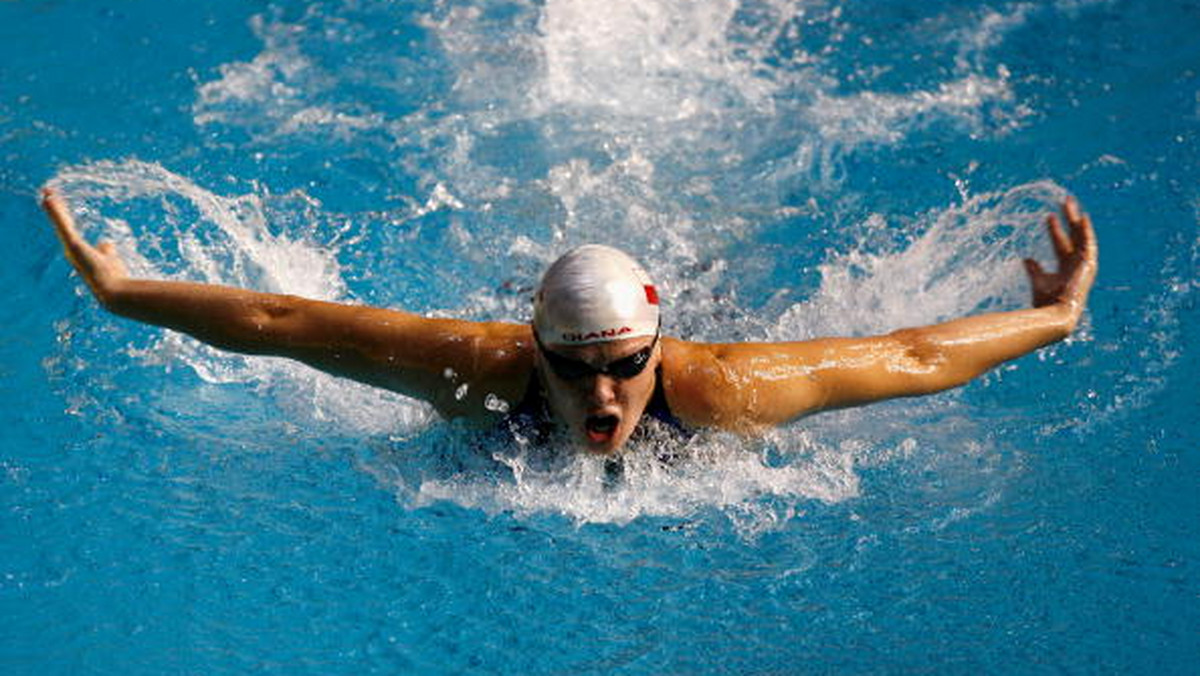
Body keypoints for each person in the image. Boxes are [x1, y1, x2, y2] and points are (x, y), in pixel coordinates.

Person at [41, 186, 1097, 454]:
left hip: (715, 320)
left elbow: (908, 353)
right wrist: (124, 292)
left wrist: (1051, 321)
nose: (604, 392)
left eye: (626, 367)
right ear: (534, 347)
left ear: (652, 350)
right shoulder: (482, 367)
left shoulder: (717, 388)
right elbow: (286, 316)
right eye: (577, 368)